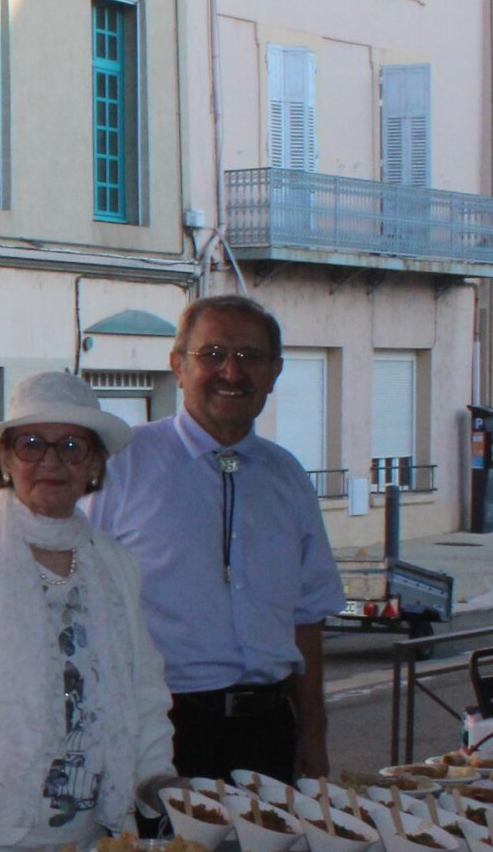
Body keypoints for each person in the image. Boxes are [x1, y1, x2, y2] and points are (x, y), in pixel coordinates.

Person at [0, 373, 179, 852]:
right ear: (6, 459)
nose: (51, 461)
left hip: (94, 846)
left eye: (72, 446)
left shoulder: (114, 562)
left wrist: (156, 778)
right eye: (32, 444)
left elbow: (143, 689)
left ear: (94, 463)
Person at [90, 295, 345, 783]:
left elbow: (307, 617)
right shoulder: (121, 466)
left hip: (271, 735)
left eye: (251, 357)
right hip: (161, 734)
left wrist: (313, 733)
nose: (232, 372)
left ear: (275, 372)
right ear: (177, 367)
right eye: (212, 355)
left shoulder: (287, 476)